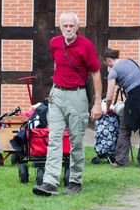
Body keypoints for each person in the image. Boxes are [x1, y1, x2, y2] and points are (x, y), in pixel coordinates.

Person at [33, 12, 102, 196]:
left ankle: (75, 182)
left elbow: (95, 74)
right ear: (60, 27)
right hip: (57, 95)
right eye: (65, 26)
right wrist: (55, 89)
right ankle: (50, 183)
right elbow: (58, 64)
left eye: (72, 26)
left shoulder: (86, 46)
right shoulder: (55, 43)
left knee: (76, 141)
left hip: (77, 96)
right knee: (54, 139)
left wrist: (97, 104)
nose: (68, 29)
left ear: (77, 27)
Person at [102, 48, 140, 169]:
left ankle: (121, 161)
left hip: (137, 99)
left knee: (125, 129)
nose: (108, 67)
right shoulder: (130, 61)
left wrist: (108, 108)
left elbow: (109, 95)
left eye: (107, 65)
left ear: (108, 60)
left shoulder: (113, 71)